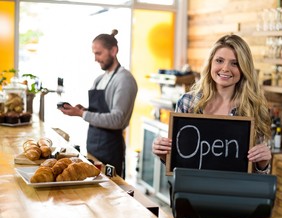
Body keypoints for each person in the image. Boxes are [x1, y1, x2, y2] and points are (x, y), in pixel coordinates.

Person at [152, 34, 271, 174]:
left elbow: (259, 173)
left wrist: (263, 163)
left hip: (235, 192)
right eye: (219, 61)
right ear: (210, 64)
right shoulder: (188, 103)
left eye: (235, 63)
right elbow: (179, 162)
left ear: (244, 68)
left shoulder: (254, 108)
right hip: (191, 190)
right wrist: (163, 153)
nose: (225, 68)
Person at [59, 29, 138, 178]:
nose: (95, 58)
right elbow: (100, 111)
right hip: (93, 146)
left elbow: (117, 120)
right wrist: (83, 110)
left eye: (99, 53)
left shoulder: (124, 80)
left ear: (113, 51)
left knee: (111, 194)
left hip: (110, 150)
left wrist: (82, 114)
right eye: (94, 53)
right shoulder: (100, 79)